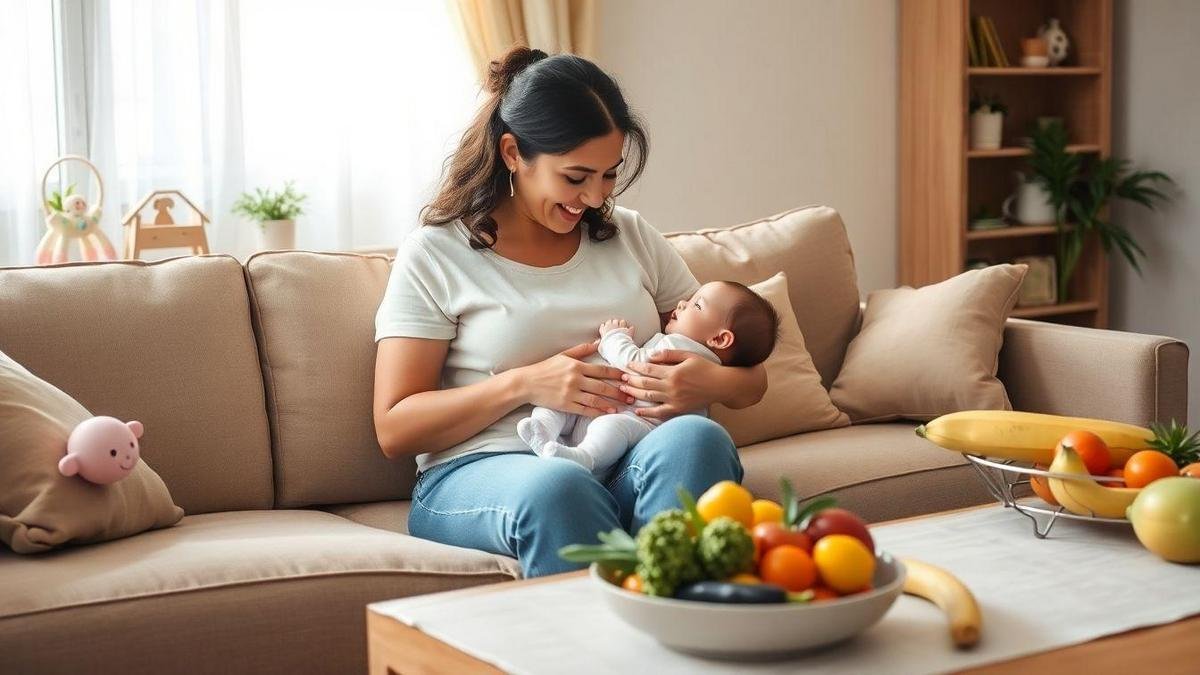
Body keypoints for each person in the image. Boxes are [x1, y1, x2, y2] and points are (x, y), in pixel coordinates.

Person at [372, 45, 767, 577]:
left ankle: (688, 630)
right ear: (513, 154)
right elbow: (394, 428)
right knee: (561, 486)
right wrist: (525, 384)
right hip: (485, 469)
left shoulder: (629, 235)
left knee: (699, 438)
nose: (594, 197)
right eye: (576, 177)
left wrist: (706, 384)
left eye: (609, 175)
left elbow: (750, 377)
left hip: (622, 457)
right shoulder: (438, 251)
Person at [519, 281, 780, 475]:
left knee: (608, 428)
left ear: (720, 339)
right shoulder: (693, 351)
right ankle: (544, 433)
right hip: (608, 406)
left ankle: (581, 456)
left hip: (641, 424)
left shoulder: (683, 350)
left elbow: (635, 362)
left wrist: (614, 337)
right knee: (563, 403)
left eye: (696, 305)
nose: (681, 303)